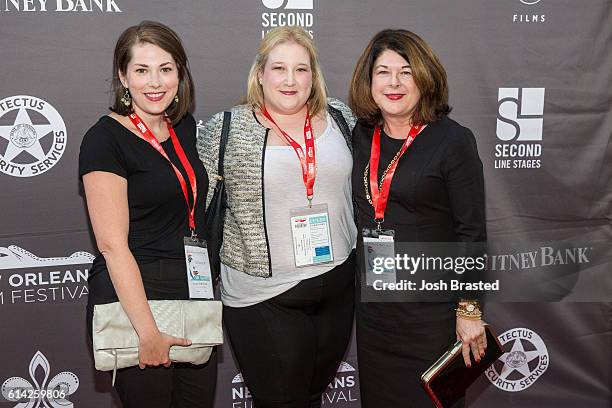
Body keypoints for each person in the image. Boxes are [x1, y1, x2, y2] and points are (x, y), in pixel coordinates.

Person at [198, 26, 356, 408]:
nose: (290, 80)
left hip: (337, 285)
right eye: (279, 68)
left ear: (313, 76)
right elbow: (195, 208)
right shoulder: (224, 129)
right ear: (260, 73)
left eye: (301, 70)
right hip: (263, 296)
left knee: (313, 397)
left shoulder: (340, 117)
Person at [79, 21, 216, 408]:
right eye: (141, 70)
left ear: (179, 73)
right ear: (123, 77)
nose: (155, 82)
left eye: (165, 69)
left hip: (191, 298)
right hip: (136, 305)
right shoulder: (104, 139)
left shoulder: (183, 128)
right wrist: (148, 333)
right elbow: (111, 245)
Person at [348, 29, 487, 407]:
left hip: (432, 317)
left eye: (406, 72)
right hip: (375, 316)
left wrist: (470, 310)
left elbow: (471, 232)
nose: (394, 83)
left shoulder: (452, 141)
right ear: (368, 80)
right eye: (383, 72)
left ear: (425, 78)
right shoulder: (359, 135)